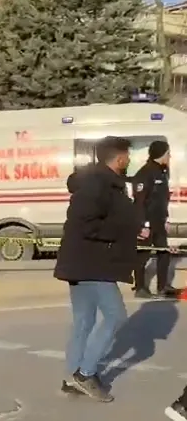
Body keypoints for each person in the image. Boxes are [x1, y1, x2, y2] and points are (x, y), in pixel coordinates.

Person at [53, 136, 142, 402]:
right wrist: (121, 231)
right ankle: (85, 374)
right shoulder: (99, 183)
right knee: (115, 316)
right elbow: (83, 222)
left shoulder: (103, 182)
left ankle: (72, 377)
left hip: (83, 261)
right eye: (127, 155)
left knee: (84, 321)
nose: (129, 159)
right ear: (119, 158)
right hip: (94, 262)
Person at [131, 140, 180, 298]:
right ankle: (140, 288)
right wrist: (143, 225)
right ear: (161, 154)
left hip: (159, 221)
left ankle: (163, 287)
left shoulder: (162, 172)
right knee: (142, 255)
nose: (169, 156)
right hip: (147, 222)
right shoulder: (144, 173)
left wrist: (165, 219)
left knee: (164, 253)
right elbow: (139, 201)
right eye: (167, 153)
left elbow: (162, 200)